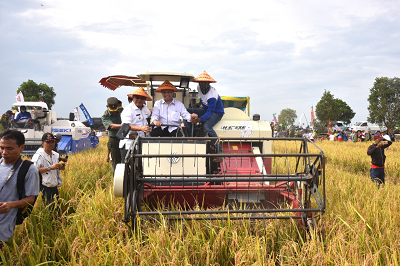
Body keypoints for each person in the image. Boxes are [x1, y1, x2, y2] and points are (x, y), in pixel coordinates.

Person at [0, 130, 40, 248]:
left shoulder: (28, 169)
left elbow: (31, 199)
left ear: (21, 147)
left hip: (3, 228)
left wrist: (10, 205)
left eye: (9, 148)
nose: (4, 152)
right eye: (1, 148)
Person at [185, 71, 224, 153]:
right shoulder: (198, 88)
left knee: (207, 126)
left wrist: (200, 119)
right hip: (206, 109)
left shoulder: (212, 95)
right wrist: (199, 103)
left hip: (216, 112)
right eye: (201, 82)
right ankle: (190, 137)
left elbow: (211, 111)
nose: (202, 84)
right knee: (186, 110)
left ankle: (220, 151)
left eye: (205, 82)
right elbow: (203, 98)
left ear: (208, 83)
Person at [31, 133, 65, 207]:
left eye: (52, 142)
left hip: (54, 185)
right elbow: (33, 171)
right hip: (44, 187)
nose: (51, 144)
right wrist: (50, 168)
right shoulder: (39, 156)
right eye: (48, 142)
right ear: (43, 143)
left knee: (57, 207)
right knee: (49, 208)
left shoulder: (55, 155)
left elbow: (55, 167)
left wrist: (60, 167)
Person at [120, 87, 152, 160]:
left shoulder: (145, 108)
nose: (139, 100)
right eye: (137, 97)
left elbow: (149, 115)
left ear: (145, 100)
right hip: (129, 144)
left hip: (142, 143)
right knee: (129, 168)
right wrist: (141, 128)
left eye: (142, 98)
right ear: (133, 98)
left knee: (142, 167)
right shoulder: (128, 109)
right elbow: (126, 125)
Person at [101, 97, 122, 172]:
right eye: (111, 110)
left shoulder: (121, 111)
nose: (113, 112)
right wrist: (125, 125)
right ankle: (117, 179)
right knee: (117, 162)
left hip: (125, 138)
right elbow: (112, 126)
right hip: (115, 140)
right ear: (107, 107)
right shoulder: (105, 116)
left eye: (115, 110)